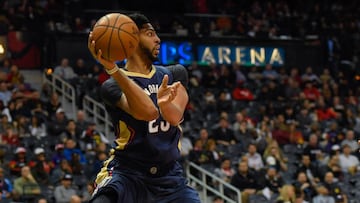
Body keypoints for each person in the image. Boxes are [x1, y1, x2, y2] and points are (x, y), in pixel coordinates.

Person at [88, 13, 200, 203]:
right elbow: (146, 112)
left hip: (169, 177)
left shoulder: (175, 73)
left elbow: (174, 118)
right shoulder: (112, 85)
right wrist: (113, 69)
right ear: (130, 39)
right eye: (149, 34)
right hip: (128, 174)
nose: (157, 39)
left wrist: (165, 105)